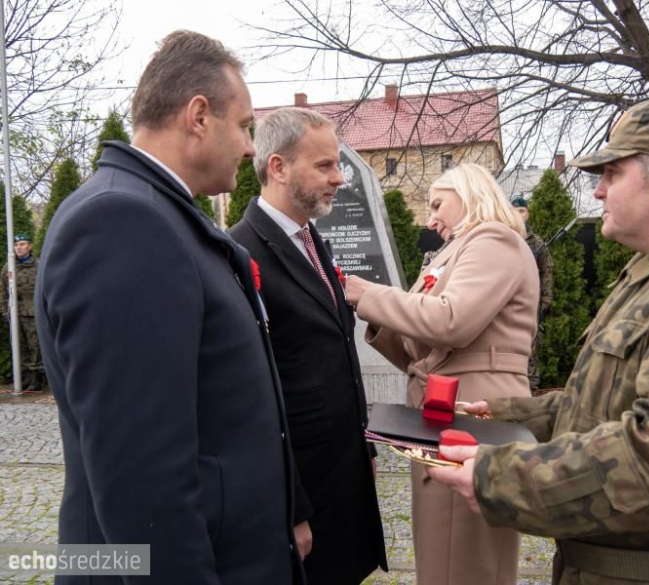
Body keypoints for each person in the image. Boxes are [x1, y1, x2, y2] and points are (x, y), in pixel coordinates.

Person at [428, 97, 649, 584]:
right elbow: (614, 403)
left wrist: (500, 476)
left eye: (612, 174)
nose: (597, 191)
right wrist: (506, 417)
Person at [34, 31, 303, 585]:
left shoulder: (159, 213)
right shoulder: (122, 222)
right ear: (198, 116)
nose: (250, 148)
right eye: (244, 126)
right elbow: (141, 476)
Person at [345, 163, 540, 585]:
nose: (431, 220)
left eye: (437, 204)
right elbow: (423, 351)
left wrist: (371, 294)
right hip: (447, 414)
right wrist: (373, 313)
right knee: (445, 557)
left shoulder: (493, 240)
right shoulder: (462, 248)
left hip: (470, 416)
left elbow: (452, 321)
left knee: (463, 562)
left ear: (469, 192)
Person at [228, 107, 387, 585]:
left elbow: (333, 354)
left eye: (337, 164)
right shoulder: (242, 252)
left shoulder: (312, 239)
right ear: (278, 167)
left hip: (342, 474)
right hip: (303, 491)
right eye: (324, 166)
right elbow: (251, 399)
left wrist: (363, 450)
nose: (339, 178)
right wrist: (290, 506)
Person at [510, 195, 553, 392]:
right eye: (514, 211)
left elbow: (547, 273)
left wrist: (545, 302)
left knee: (530, 350)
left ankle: (531, 393)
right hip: (508, 301)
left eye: (522, 211)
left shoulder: (537, 243)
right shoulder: (505, 239)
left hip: (530, 303)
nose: (518, 215)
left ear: (527, 214)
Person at [1, 233, 45, 391]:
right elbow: (3, 291)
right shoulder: (8, 267)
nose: (19, 248)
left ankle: (36, 378)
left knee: (35, 345)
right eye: (16, 245)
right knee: (19, 345)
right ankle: (25, 376)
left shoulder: (39, 266)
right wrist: (4, 311)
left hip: (33, 312)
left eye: (22, 244)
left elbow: (45, 290)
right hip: (15, 312)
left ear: (30, 246)